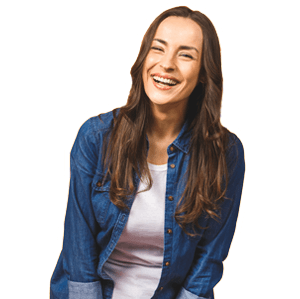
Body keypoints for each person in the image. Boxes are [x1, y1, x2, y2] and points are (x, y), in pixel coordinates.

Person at [50, 6, 245, 299]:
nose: (166, 64)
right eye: (158, 49)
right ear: (143, 58)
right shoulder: (95, 136)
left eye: (186, 55)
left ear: (204, 73)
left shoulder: (225, 152)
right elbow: (78, 249)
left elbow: (208, 261)